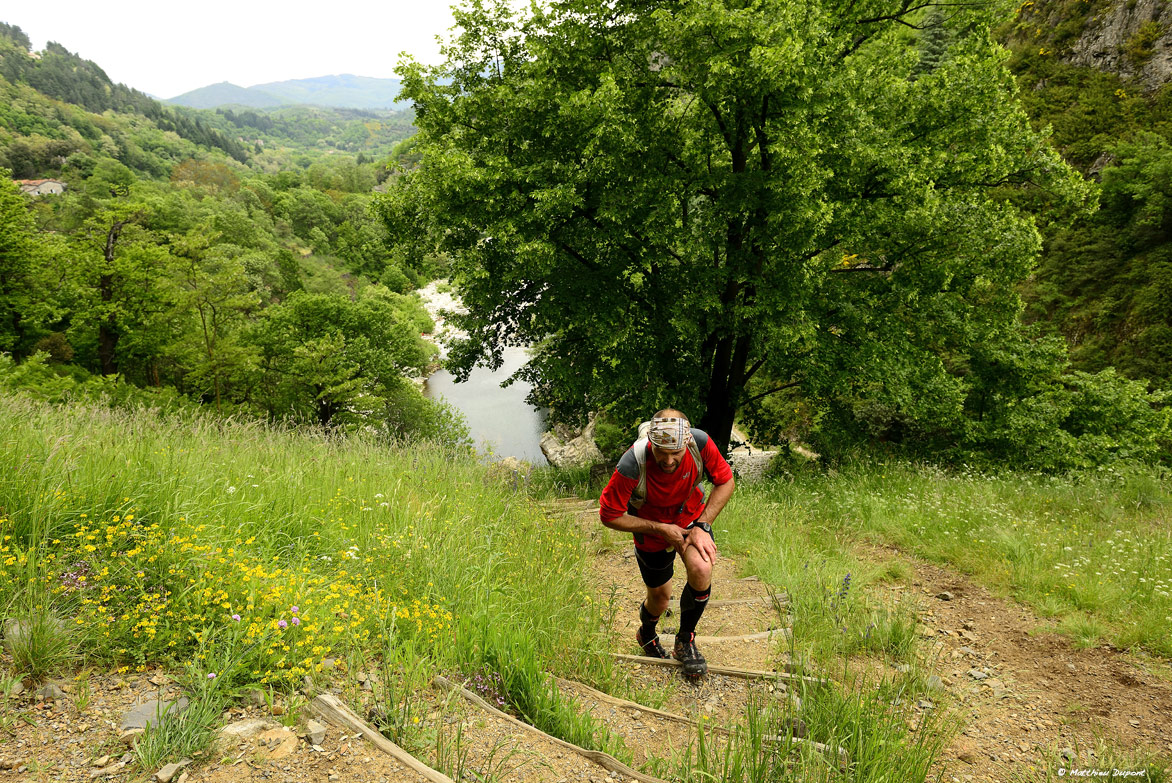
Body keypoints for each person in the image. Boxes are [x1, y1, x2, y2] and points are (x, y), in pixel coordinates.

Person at [598, 409, 735, 677]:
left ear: (687, 444)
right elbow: (609, 514)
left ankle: (685, 641)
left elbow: (725, 480)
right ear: (651, 442)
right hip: (651, 528)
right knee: (660, 599)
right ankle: (647, 632)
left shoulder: (701, 443)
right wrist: (660, 529)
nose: (669, 460)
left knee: (702, 568)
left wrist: (703, 525)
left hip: (691, 520)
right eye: (662, 452)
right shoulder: (632, 463)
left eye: (676, 454)